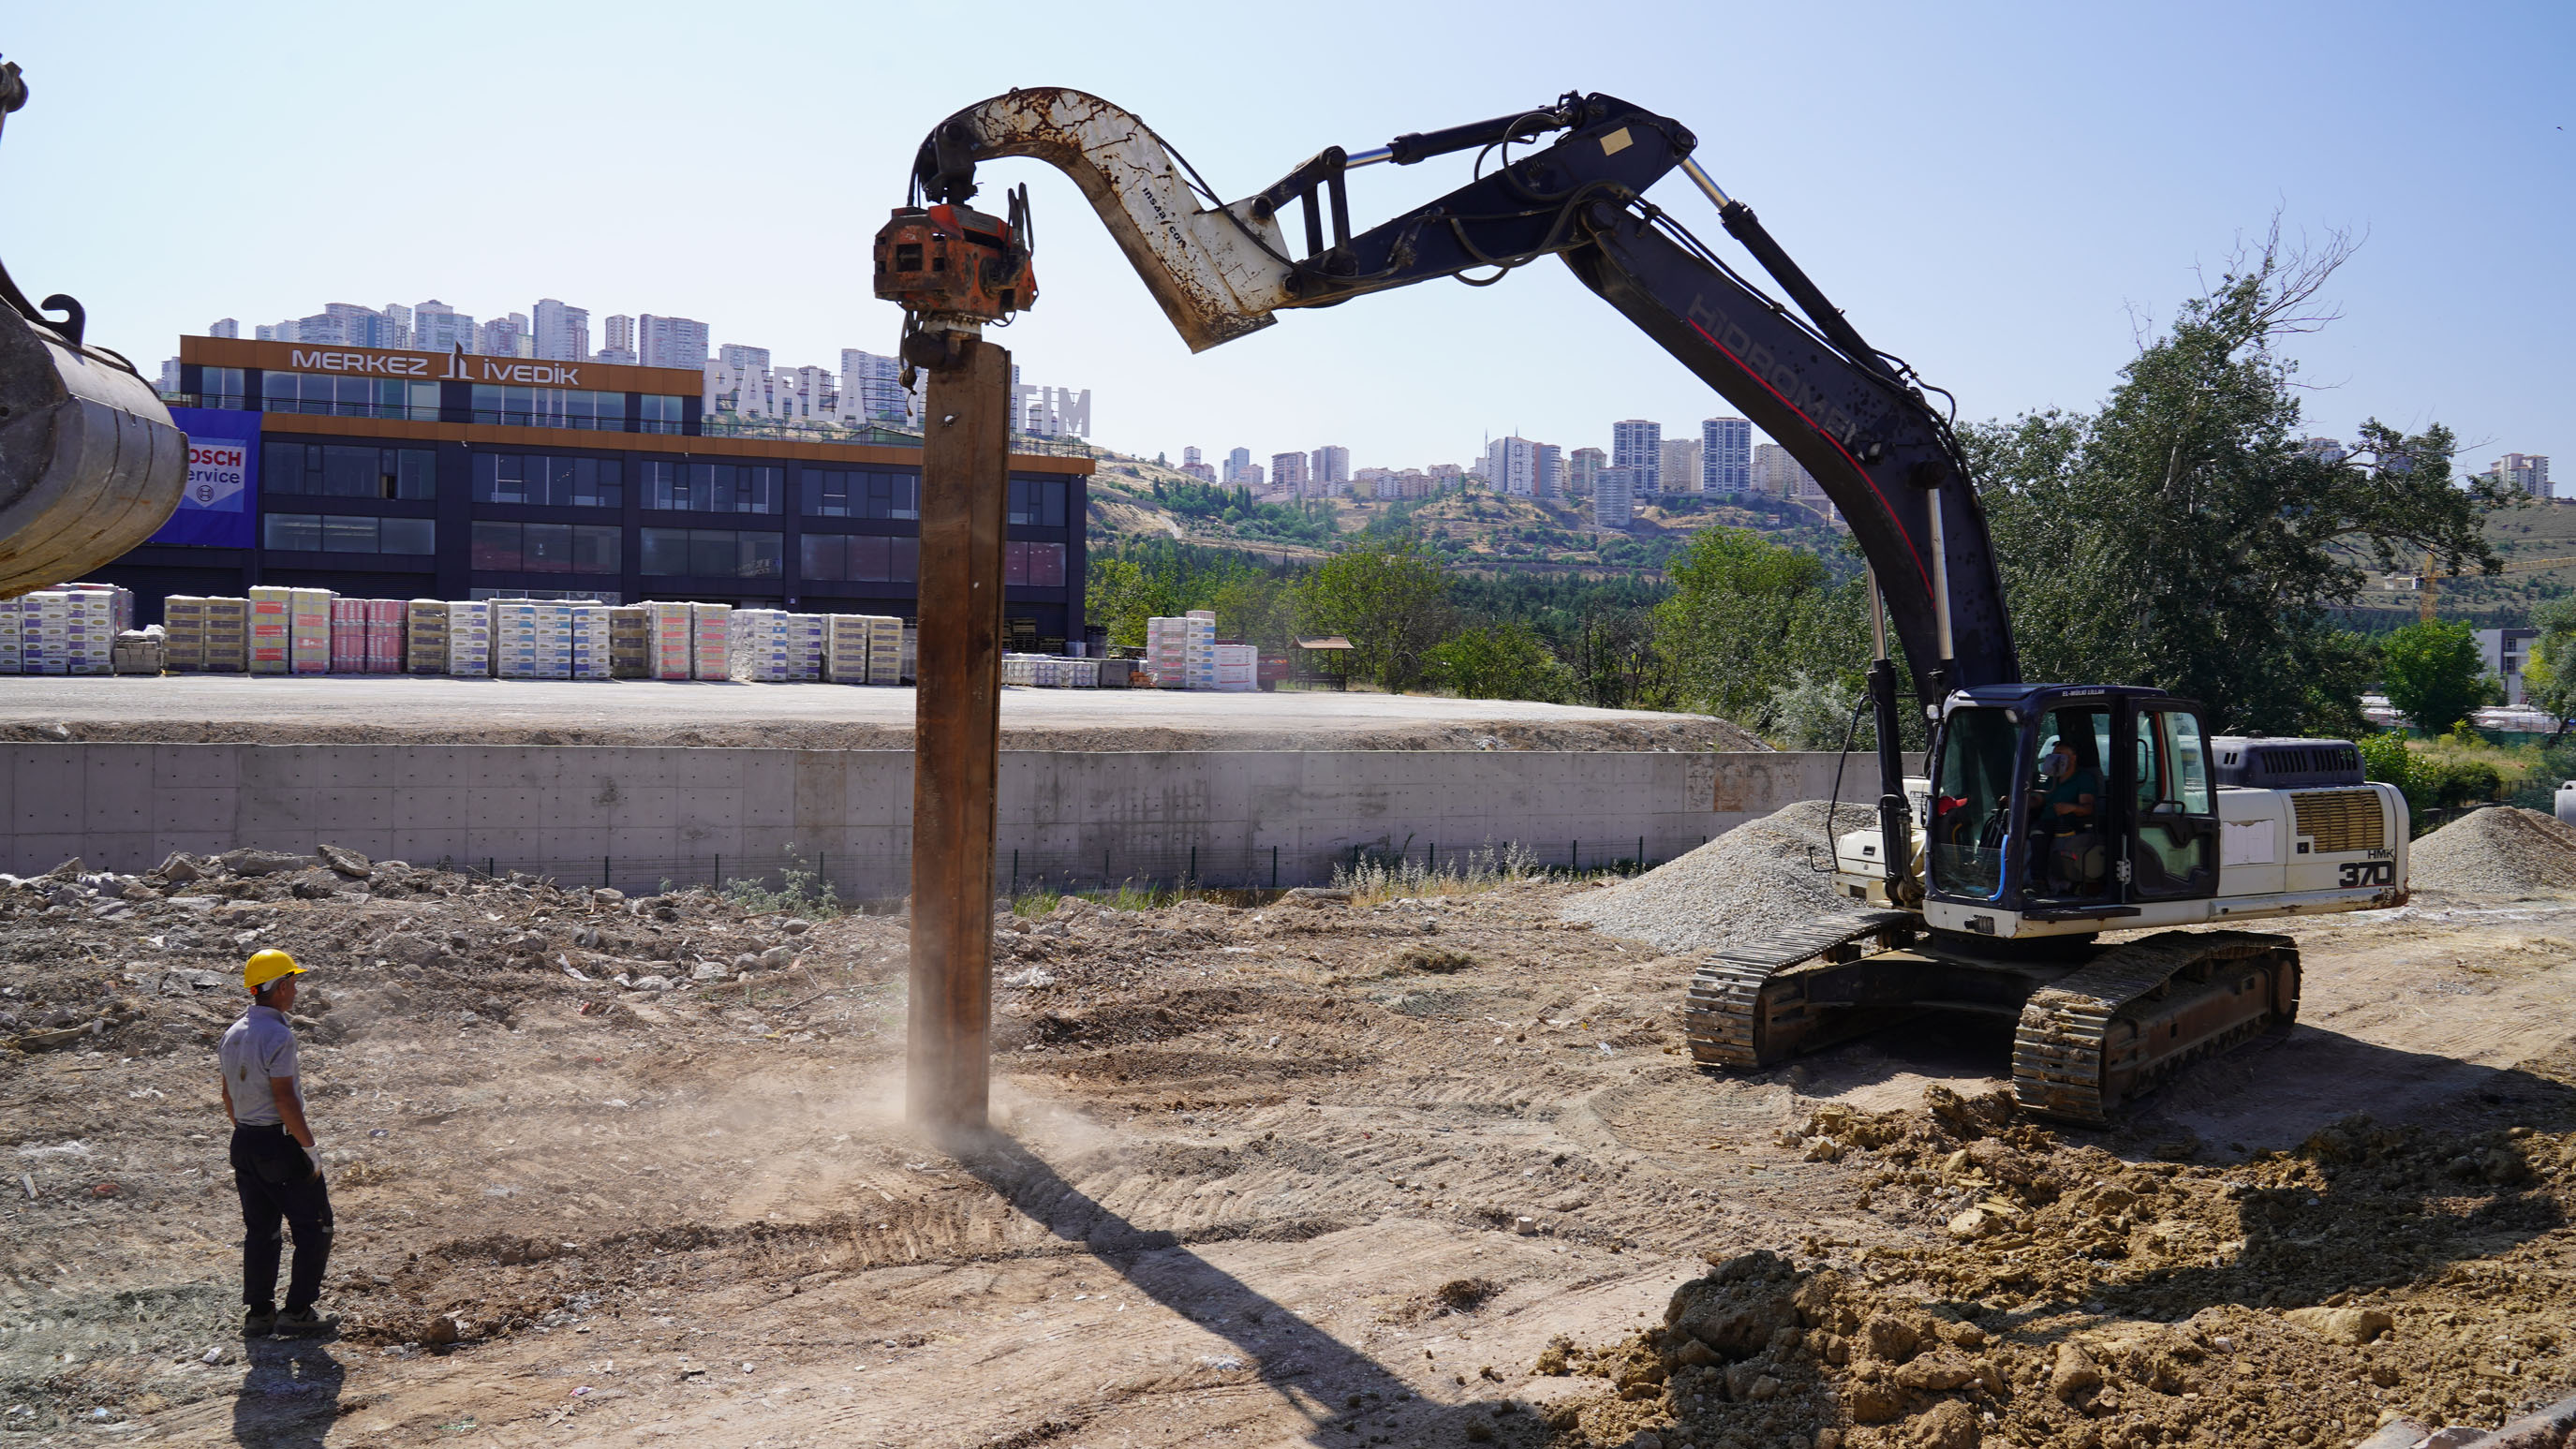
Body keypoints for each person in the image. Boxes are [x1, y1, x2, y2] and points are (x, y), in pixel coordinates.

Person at [219, 949, 335, 1337]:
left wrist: (249, 1134)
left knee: (262, 1230)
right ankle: (298, 1311)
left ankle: (259, 1314)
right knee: (314, 1227)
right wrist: (308, 1148)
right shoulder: (279, 1034)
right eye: (294, 982)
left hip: (244, 1143)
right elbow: (285, 1099)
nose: (297, 989)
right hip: (278, 1146)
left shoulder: (232, 1033)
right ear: (281, 987)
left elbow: (227, 1097)